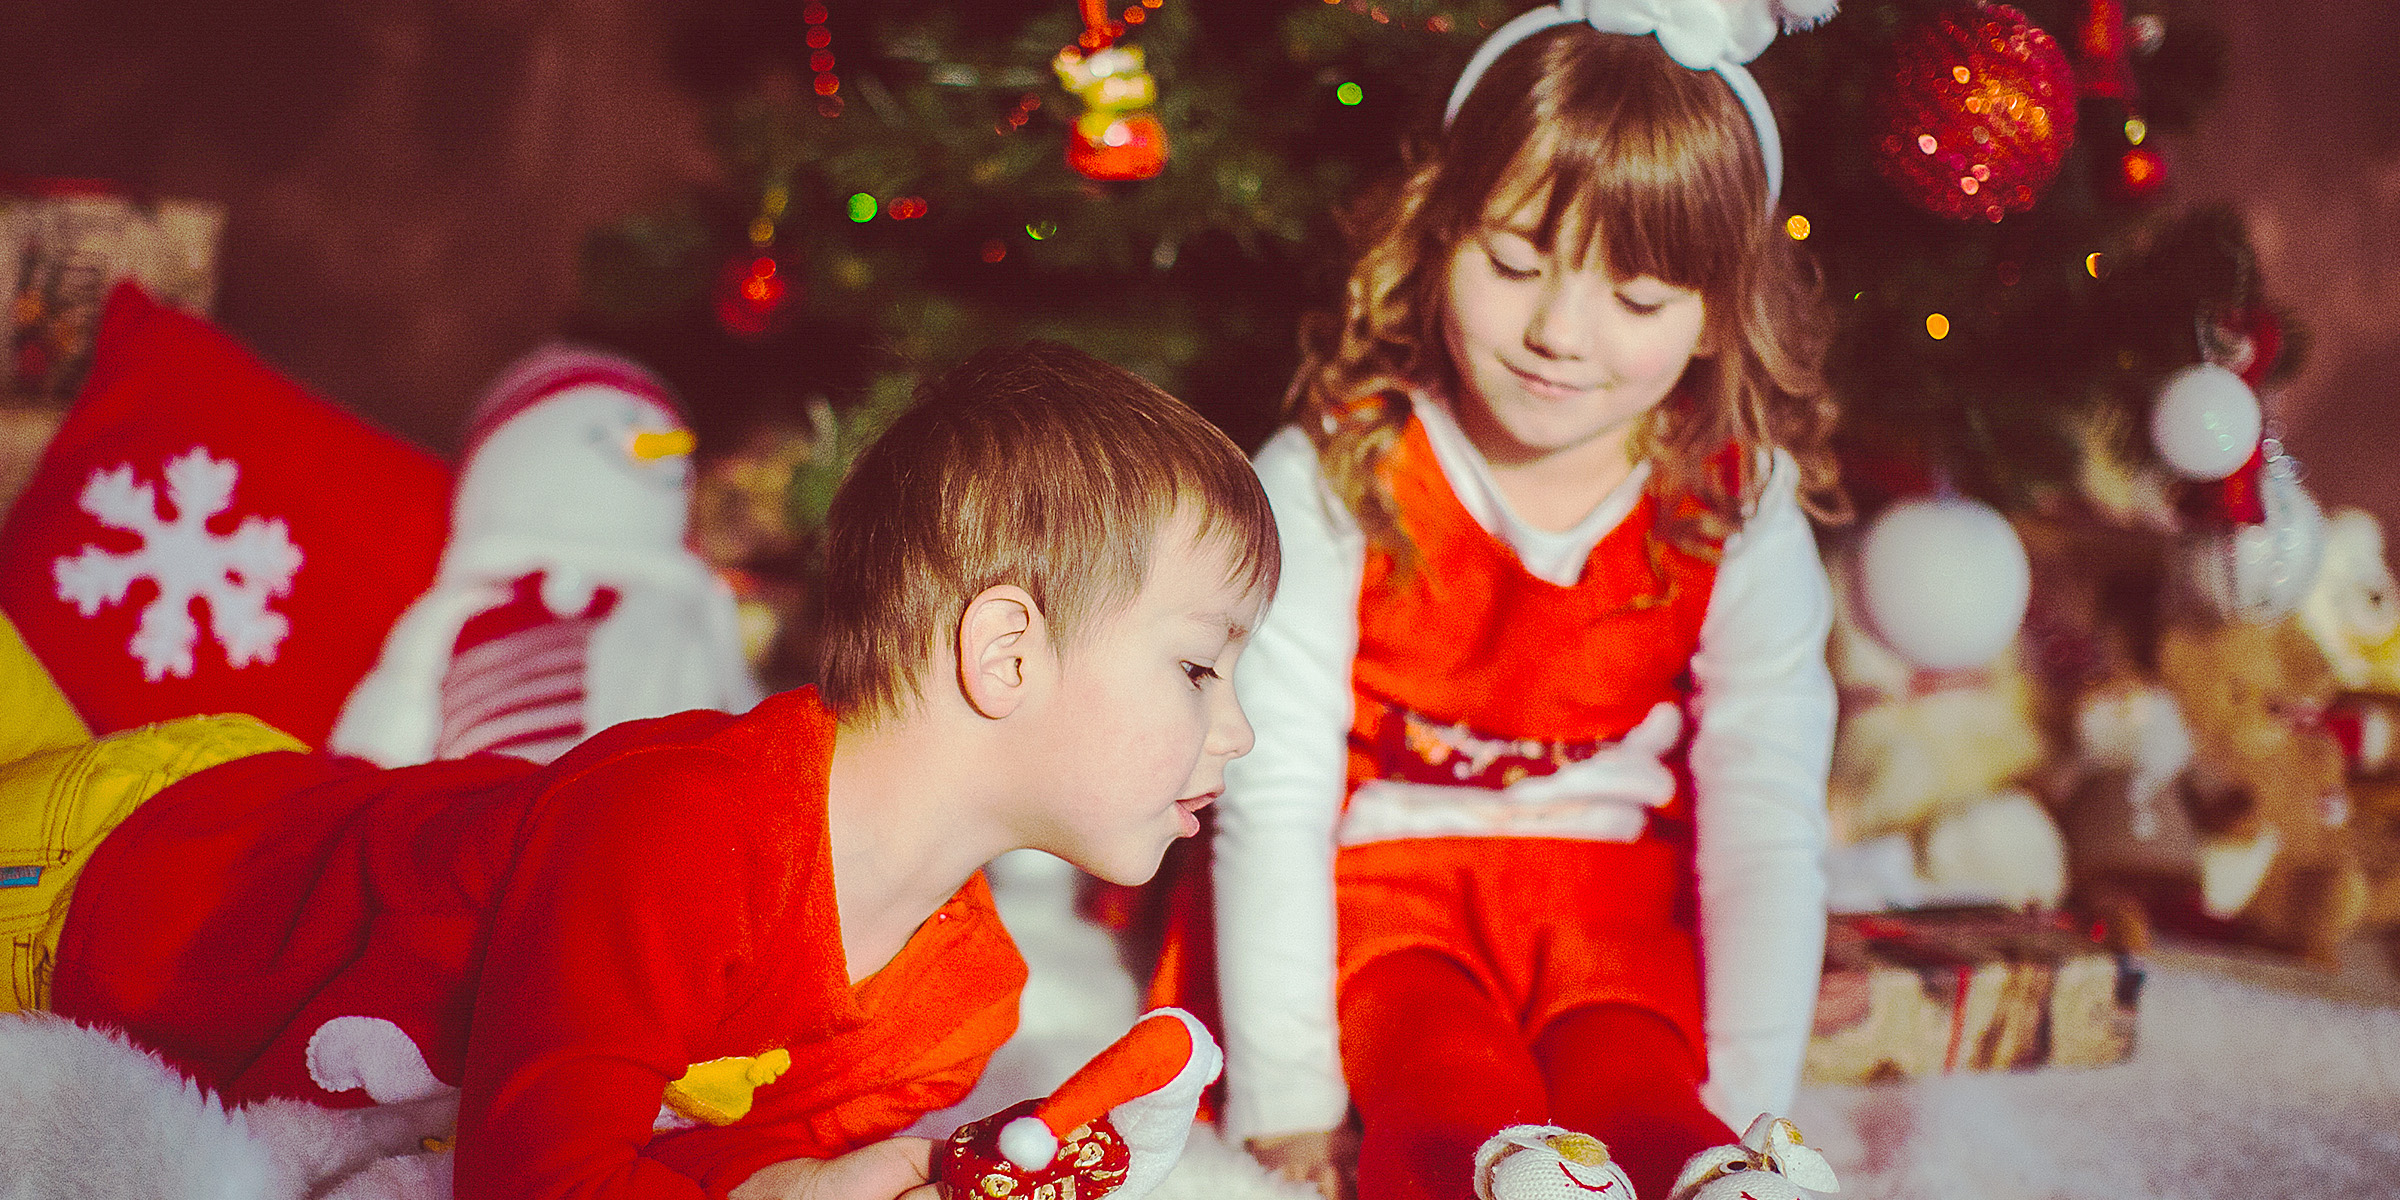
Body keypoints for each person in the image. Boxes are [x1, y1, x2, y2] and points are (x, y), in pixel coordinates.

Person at [3, 341, 1279, 1200]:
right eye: (1200, 669)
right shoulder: (687, 828)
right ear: (1005, 654)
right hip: (113, 874)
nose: (1241, 732)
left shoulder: (961, 1006)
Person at [1206, 4, 1845, 1198]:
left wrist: (1750, 1114)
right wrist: (1287, 1097)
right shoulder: (1332, 473)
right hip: (1390, 909)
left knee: (1643, 1094)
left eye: (1641, 299)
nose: (1560, 334)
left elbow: (1766, 823)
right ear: (1436, 231)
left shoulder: (1741, 506)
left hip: (1610, 922)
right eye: (1510, 264)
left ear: (1719, 312)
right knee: (1450, 1096)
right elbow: (1274, 794)